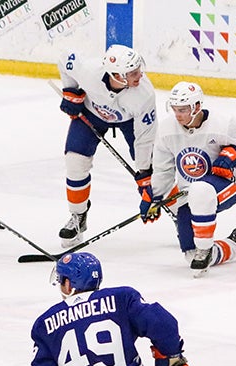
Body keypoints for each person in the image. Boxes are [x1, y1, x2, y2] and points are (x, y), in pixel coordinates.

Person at [25, 253, 208, 366]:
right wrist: (168, 358)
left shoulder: (44, 325)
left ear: (69, 285)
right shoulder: (122, 298)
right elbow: (162, 323)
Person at [147, 81, 236, 273]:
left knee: (200, 190)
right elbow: (162, 169)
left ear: (197, 107)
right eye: (175, 109)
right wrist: (156, 198)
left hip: (226, 186)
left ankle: (204, 249)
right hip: (188, 194)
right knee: (191, 256)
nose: (178, 115)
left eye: (183, 109)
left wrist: (232, 161)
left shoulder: (224, 124)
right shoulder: (167, 129)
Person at [55, 44, 157, 247]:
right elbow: (65, 57)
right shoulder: (90, 71)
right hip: (92, 114)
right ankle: (78, 216)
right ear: (117, 75)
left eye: (138, 69)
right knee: (75, 162)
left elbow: (145, 137)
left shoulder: (144, 94)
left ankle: (183, 214)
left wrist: (145, 173)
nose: (140, 75)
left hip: (129, 121)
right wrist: (70, 91)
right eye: (132, 73)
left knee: (156, 170)